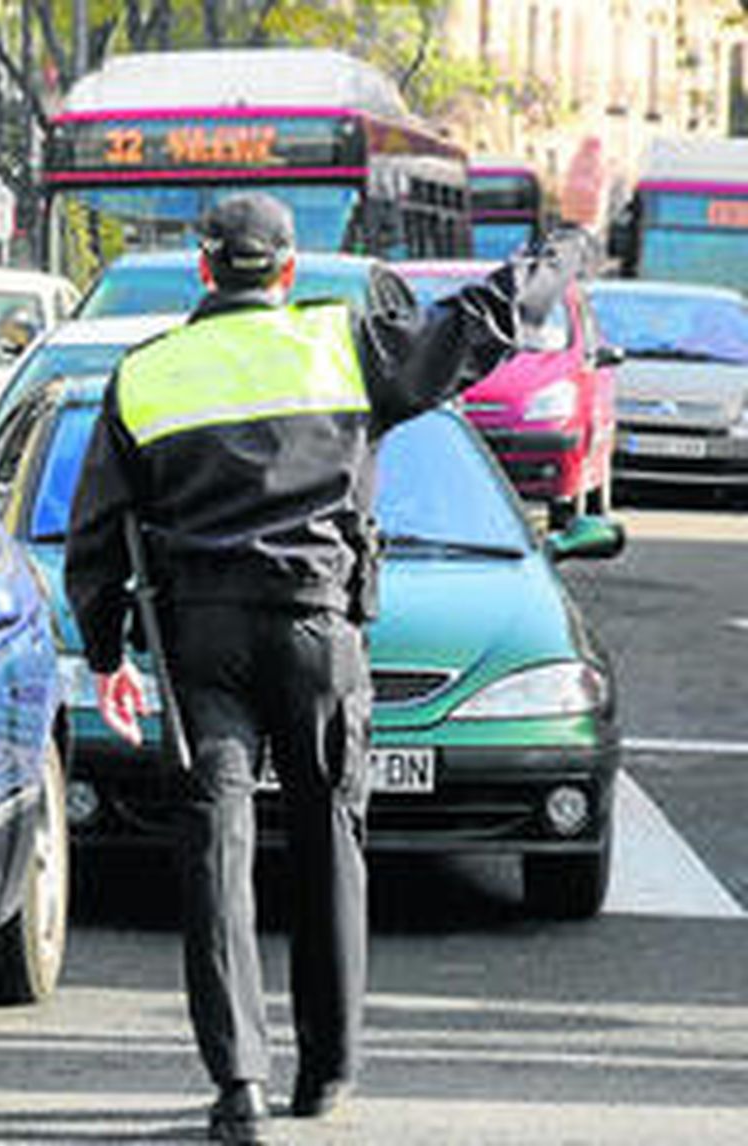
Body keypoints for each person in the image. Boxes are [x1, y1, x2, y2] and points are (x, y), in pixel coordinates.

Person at [62, 193, 586, 1145]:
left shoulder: (145, 375)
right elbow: (481, 321)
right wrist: (563, 251)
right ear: (289, 271)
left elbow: (97, 532)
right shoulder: (343, 346)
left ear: (205, 271)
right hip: (318, 630)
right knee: (327, 839)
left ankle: (239, 1087)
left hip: (200, 642)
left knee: (216, 853)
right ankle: (329, 1072)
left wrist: (106, 655)